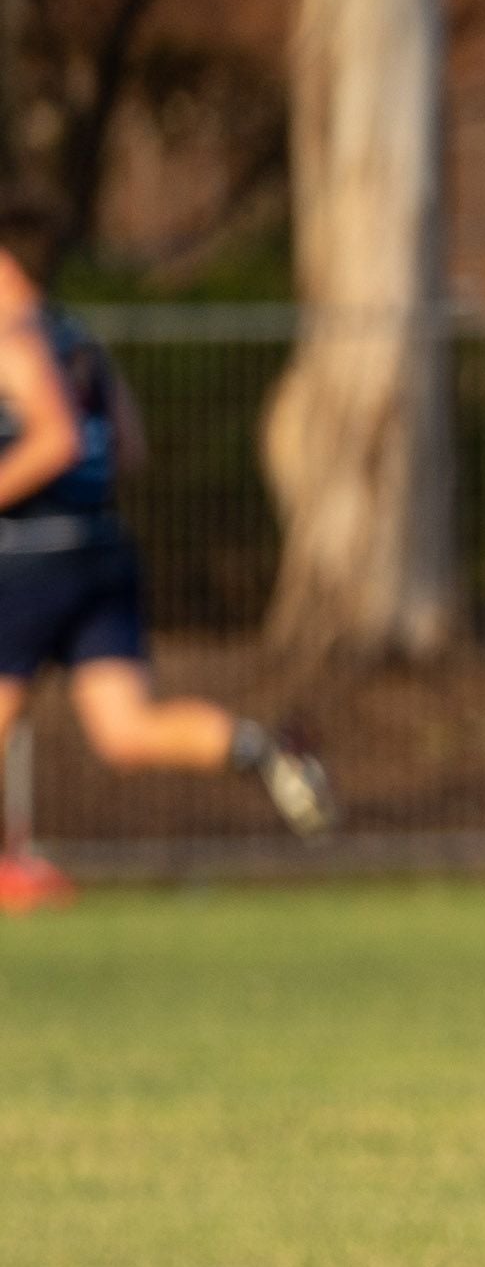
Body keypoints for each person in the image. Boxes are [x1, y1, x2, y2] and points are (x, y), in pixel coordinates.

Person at [0, 241, 334, 843]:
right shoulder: (78, 339)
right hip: (103, 547)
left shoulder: (14, 339)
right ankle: (261, 748)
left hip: (32, 554)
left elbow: (57, 440)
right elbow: (128, 447)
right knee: (125, 731)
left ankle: (11, 865)